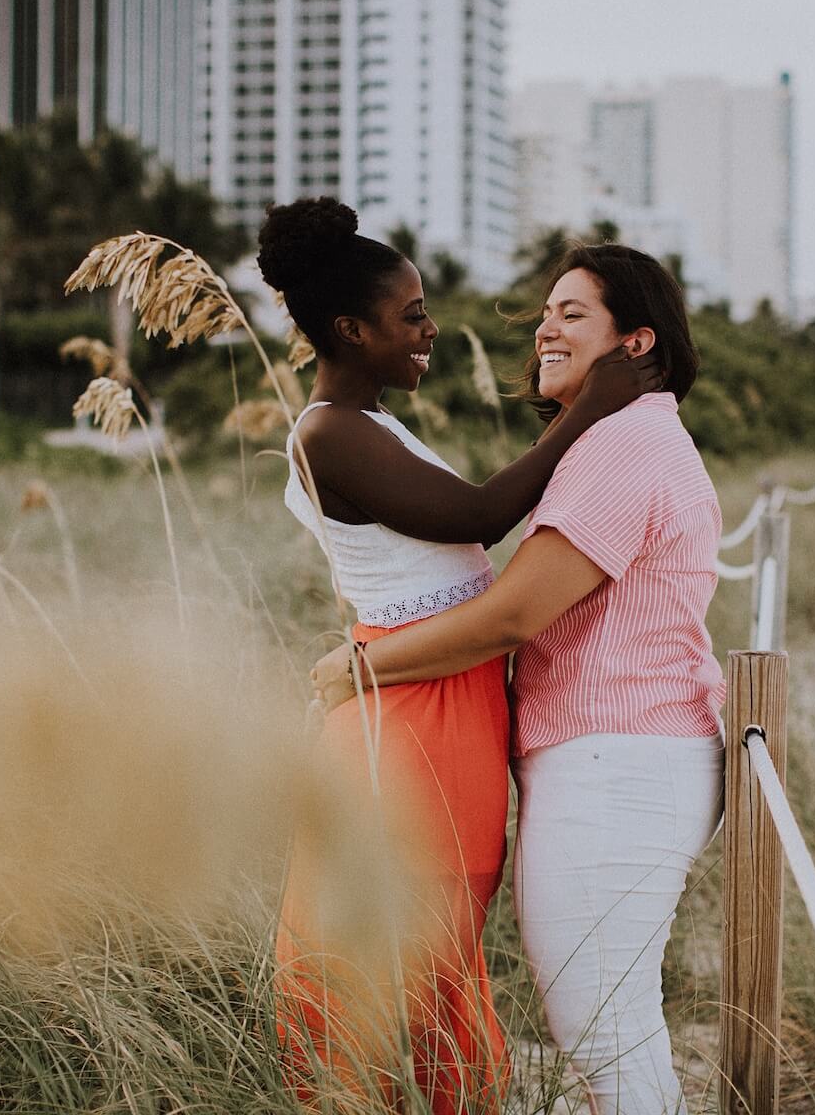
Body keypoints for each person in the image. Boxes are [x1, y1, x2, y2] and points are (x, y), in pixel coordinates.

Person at [259, 198, 659, 1114]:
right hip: (413, 713)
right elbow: (481, 515)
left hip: (444, 699)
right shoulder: (329, 433)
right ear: (351, 330)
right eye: (411, 316)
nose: (430, 330)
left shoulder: (372, 424)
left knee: (443, 939)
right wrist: (587, 411)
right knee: (407, 942)